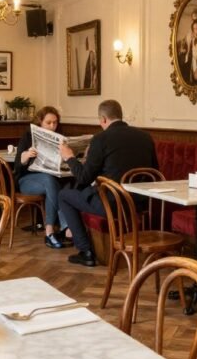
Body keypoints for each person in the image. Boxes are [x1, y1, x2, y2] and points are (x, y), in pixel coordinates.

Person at [57, 100, 158, 267]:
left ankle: (85, 251)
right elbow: (154, 171)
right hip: (140, 203)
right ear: (120, 115)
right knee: (80, 192)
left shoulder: (101, 139)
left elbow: (83, 178)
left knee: (64, 195)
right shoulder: (145, 137)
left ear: (103, 119)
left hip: (112, 205)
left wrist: (69, 157)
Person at [13, 106, 72, 249]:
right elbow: (17, 166)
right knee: (49, 181)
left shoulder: (60, 137)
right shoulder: (28, 136)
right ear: (40, 122)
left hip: (52, 180)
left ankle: (51, 231)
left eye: (55, 123)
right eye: (48, 122)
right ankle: (65, 227)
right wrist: (26, 156)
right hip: (27, 180)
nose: (52, 126)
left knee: (55, 182)